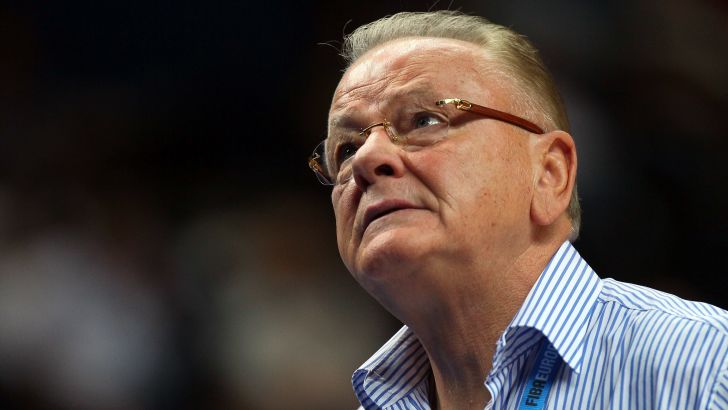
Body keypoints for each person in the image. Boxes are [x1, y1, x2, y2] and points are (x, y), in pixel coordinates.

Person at [307, 10, 728, 410]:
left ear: (550, 174)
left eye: (424, 121)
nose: (365, 159)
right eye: (346, 149)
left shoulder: (706, 365)